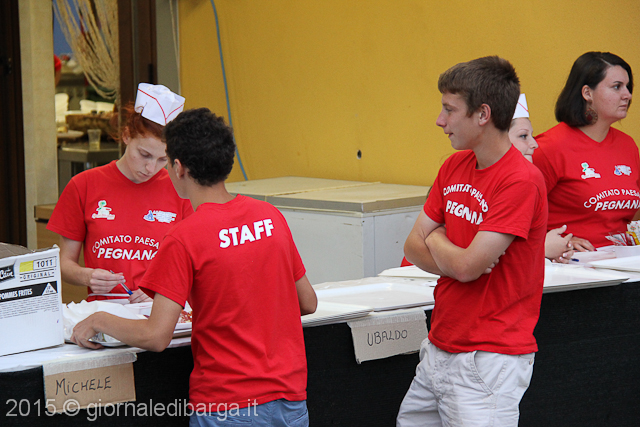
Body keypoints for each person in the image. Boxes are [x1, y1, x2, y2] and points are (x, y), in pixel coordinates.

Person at [71, 107, 318, 426]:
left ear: (178, 167)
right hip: (290, 399)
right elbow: (307, 302)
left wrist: (100, 319)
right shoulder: (270, 217)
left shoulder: (184, 238)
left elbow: (156, 336)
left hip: (227, 405)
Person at [397, 56, 547, 426]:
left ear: (482, 114)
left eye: (449, 109)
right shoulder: (453, 166)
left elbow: (465, 268)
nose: (440, 120)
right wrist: (454, 253)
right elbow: (412, 247)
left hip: (489, 358)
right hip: (440, 344)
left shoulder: (520, 180)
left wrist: (437, 239)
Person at [48, 84, 193, 303]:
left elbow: (196, 263)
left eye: (163, 159)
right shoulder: (83, 185)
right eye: (144, 154)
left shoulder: (181, 190)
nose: (151, 168)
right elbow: (64, 264)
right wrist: (87, 276)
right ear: (126, 136)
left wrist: (164, 288)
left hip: (160, 311)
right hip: (104, 311)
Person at [533, 52, 640, 251]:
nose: (628, 95)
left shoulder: (628, 145)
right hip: (573, 263)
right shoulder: (549, 147)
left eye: (628, 87)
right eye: (617, 87)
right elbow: (516, 214)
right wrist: (554, 241)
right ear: (587, 93)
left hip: (625, 262)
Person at [509, 93, 575, 263]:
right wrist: (542, 248)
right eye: (523, 136)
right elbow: (482, 253)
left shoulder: (528, 184)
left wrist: (550, 254)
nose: (535, 144)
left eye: (531, 135)